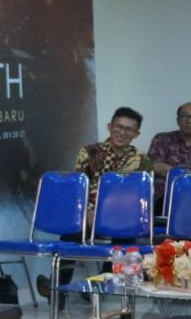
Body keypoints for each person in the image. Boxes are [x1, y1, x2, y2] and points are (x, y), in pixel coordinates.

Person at [37, 106, 152, 299]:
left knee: (124, 237)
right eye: (118, 127)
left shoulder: (141, 160)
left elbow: (140, 196)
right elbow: (80, 187)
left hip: (123, 216)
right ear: (110, 126)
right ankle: (58, 289)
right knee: (73, 230)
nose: (122, 133)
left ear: (136, 134)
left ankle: (97, 286)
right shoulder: (89, 152)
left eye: (128, 129)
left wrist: (117, 215)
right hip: (90, 212)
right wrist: (90, 210)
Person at [148, 101, 191, 213]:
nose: (189, 120)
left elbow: (165, 170)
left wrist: (172, 172)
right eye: (185, 116)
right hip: (165, 196)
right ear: (178, 121)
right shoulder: (162, 139)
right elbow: (152, 166)